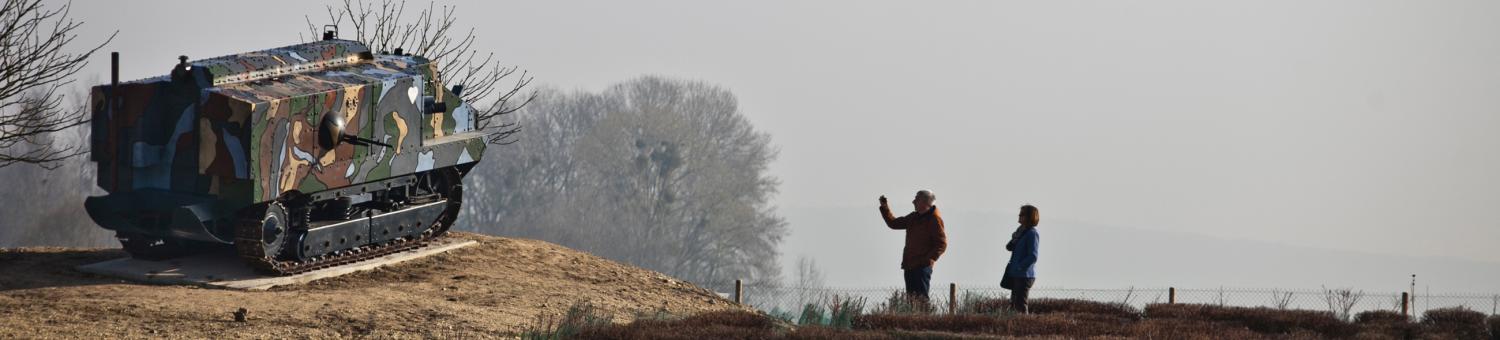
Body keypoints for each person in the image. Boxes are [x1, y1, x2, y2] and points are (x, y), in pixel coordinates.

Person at [877, 190, 947, 301]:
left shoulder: (934, 219)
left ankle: (924, 318)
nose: (913, 201)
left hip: (922, 268)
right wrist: (884, 207)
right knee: (911, 300)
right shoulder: (914, 217)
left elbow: (941, 244)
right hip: (910, 265)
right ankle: (914, 318)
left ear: (925, 202)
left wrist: (927, 260)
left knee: (921, 300)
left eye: (916, 199)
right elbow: (894, 223)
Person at [1002, 204, 1041, 313]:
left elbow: (1033, 256)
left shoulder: (1032, 234)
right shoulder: (1020, 232)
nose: (1019, 216)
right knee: (1014, 304)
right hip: (1016, 274)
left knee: (1020, 305)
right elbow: (1009, 247)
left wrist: (1020, 266)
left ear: (1029, 217)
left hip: (1024, 275)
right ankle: (1016, 326)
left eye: (1022, 214)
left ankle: (1024, 326)